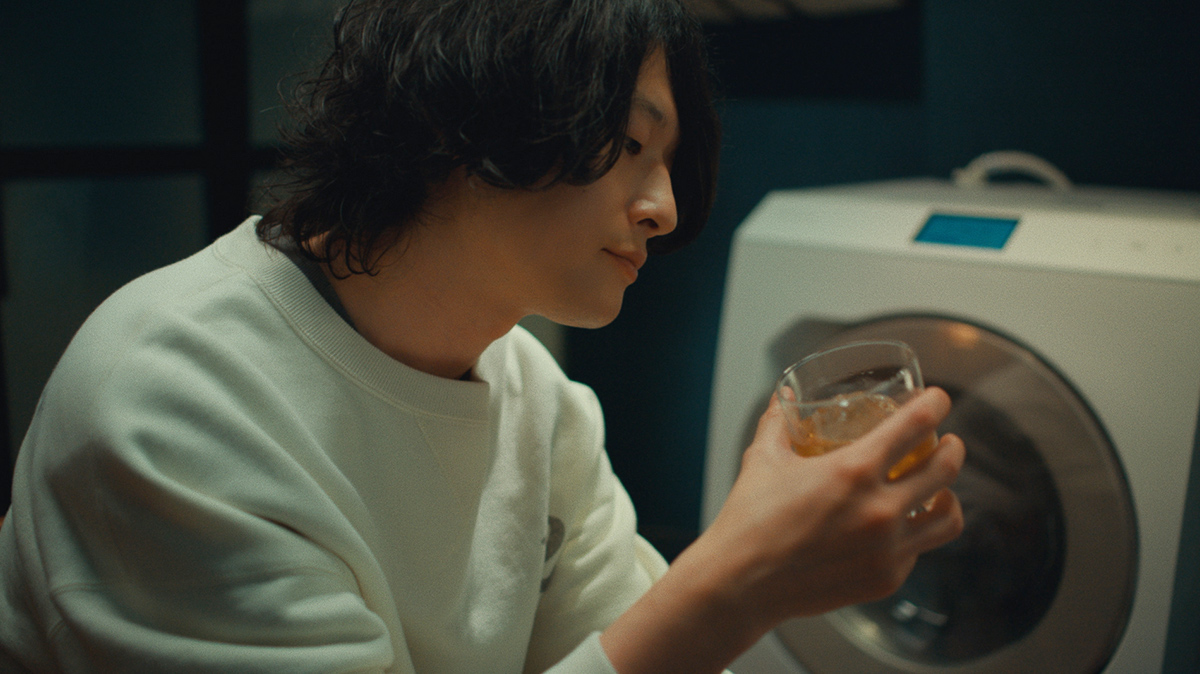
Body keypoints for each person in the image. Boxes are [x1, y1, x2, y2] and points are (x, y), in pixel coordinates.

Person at [0, 0, 965, 672]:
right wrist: (739, 581)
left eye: (670, 162)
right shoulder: (180, 398)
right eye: (632, 145)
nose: (665, 208)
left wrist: (765, 571)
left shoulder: (536, 397)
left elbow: (625, 644)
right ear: (465, 113)